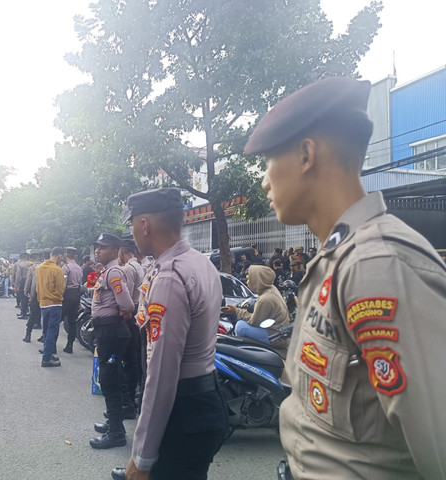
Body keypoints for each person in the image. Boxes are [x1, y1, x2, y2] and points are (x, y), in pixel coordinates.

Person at [244, 76, 446, 479]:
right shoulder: (335, 259)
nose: (265, 181)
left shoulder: (380, 264)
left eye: (268, 163)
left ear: (306, 155)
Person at [111, 188, 226, 480]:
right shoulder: (199, 263)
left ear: (145, 225)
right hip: (204, 400)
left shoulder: (170, 277)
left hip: (181, 412)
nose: (133, 233)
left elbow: (162, 375)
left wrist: (141, 456)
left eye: (133, 224)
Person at [89, 233, 135, 450]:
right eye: (97, 247)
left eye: (104, 247)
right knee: (114, 377)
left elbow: (126, 302)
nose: (98, 250)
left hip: (111, 330)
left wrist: (124, 311)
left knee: (109, 380)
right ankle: (113, 422)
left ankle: (116, 432)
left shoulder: (114, 271)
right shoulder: (107, 271)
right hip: (107, 329)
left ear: (115, 250)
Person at [222, 265, 290, 346]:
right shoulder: (271, 289)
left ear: (257, 280)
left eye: (248, 279)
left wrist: (236, 311)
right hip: (281, 332)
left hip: (275, 336)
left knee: (240, 326)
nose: (247, 282)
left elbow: (254, 322)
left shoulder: (265, 299)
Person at [117, 237, 145, 418]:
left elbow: (124, 297)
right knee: (134, 357)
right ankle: (133, 397)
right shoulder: (140, 266)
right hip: (138, 314)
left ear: (121, 252)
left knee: (128, 359)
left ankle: (127, 403)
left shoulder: (127, 268)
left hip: (129, 314)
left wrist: (123, 312)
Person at [36, 247, 66, 367]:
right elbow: (61, 289)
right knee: (52, 331)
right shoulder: (58, 270)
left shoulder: (40, 268)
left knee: (46, 330)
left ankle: (48, 352)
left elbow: (37, 287)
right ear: (59, 256)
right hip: (55, 303)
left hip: (43, 302)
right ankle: (46, 358)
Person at [62, 247, 83, 354]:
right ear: (75, 256)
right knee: (72, 321)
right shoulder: (79, 268)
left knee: (58, 319)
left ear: (66, 255)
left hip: (67, 295)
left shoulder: (66, 268)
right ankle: (70, 344)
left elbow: (63, 285)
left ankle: (51, 344)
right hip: (76, 294)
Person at [22, 250, 42, 342]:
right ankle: (43, 336)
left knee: (33, 314)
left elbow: (32, 283)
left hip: (37, 293)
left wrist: (29, 293)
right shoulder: (44, 266)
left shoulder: (33, 267)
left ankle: (28, 335)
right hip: (46, 295)